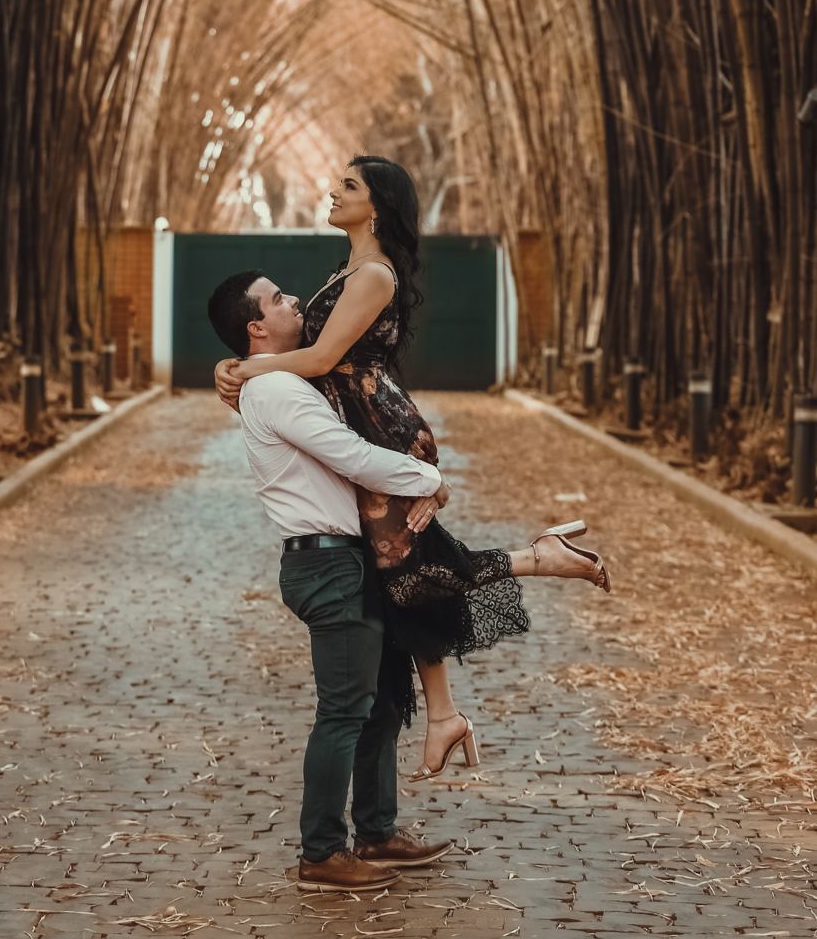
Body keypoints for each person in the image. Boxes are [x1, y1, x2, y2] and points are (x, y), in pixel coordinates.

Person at [215, 155, 611, 782]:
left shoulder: (373, 273)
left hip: (381, 427)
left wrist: (240, 368)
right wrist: (236, 368)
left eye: (348, 186)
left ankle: (537, 560)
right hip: (362, 420)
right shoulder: (347, 268)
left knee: (409, 569)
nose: (332, 191)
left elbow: (320, 359)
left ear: (377, 206)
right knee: (406, 574)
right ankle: (444, 713)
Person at [207, 268, 456, 893]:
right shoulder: (276, 393)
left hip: (345, 557)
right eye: (278, 298)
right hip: (326, 564)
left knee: (381, 704)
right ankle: (321, 852)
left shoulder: (282, 379)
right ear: (257, 326)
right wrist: (428, 479)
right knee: (345, 710)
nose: (294, 300)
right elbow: (350, 455)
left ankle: (375, 834)